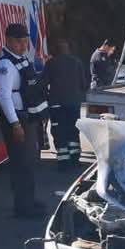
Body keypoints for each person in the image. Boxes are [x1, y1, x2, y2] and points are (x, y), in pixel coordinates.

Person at [0, 23, 48, 218]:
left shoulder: (21, 59)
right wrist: (15, 124)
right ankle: (23, 207)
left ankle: (30, 200)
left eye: (25, 41)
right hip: (16, 119)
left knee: (29, 162)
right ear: (8, 40)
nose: (23, 45)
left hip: (27, 116)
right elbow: (4, 97)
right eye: (19, 41)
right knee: (20, 164)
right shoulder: (5, 65)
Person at [45, 40, 89, 169]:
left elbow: (43, 83)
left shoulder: (51, 64)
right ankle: (75, 160)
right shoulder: (77, 62)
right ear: (68, 50)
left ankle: (63, 162)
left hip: (56, 104)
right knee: (72, 130)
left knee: (59, 131)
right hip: (73, 103)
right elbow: (83, 83)